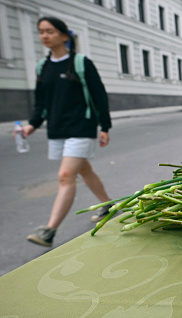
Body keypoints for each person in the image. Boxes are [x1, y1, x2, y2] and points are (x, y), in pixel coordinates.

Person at [20, 16, 113, 247]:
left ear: (64, 35)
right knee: (84, 170)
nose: (44, 36)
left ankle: (49, 230)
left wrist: (105, 126)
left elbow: (99, 96)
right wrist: (32, 124)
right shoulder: (43, 66)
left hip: (81, 127)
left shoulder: (81, 63)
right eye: (41, 31)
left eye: (50, 31)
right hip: (57, 128)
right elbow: (41, 102)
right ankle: (109, 205)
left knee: (65, 176)